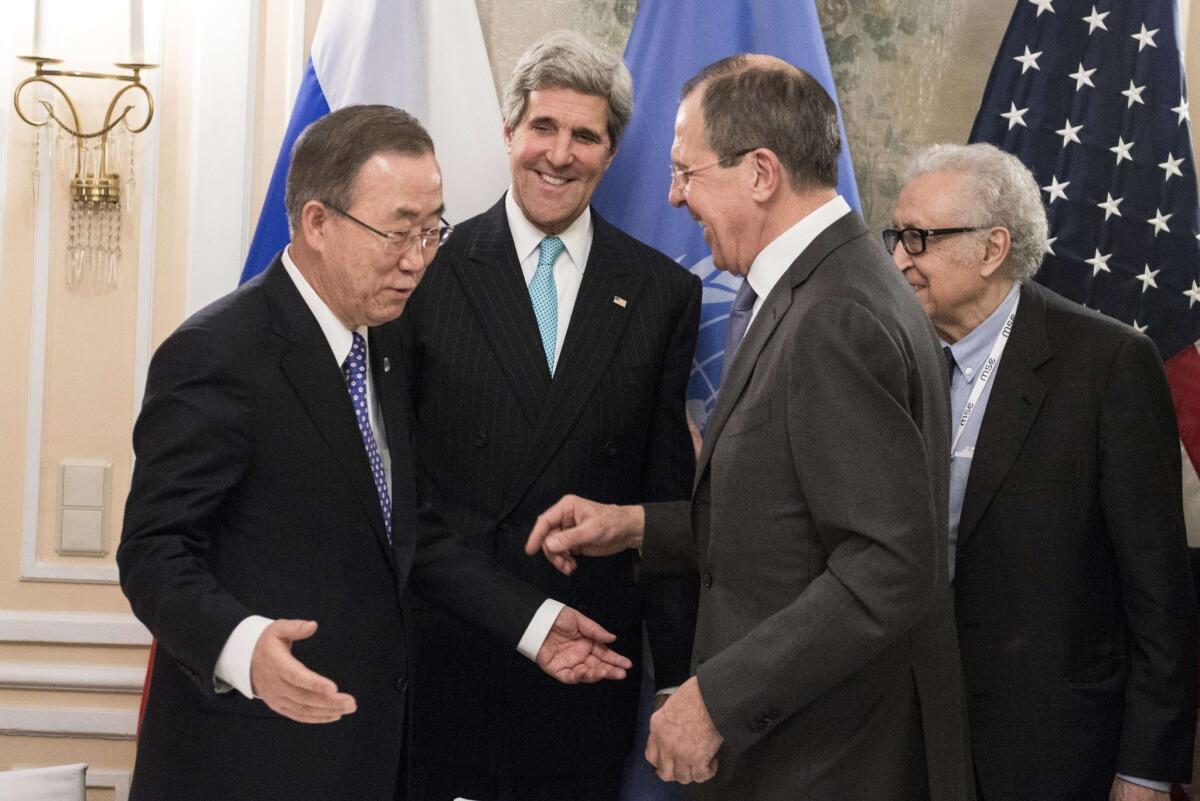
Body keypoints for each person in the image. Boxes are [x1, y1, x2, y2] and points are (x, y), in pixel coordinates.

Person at [117, 104, 630, 801]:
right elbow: (153, 552)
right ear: (318, 223)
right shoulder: (218, 353)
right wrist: (242, 646)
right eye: (398, 232)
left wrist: (534, 624)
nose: (418, 259)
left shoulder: (382, 341)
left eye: (431, 230)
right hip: (251, 757)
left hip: (370, 756)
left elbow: (406, 531)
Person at [526, 55, 974, 800]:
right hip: (805, 746)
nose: (673, 197)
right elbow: (786, 522)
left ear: (761, 172)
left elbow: (887, 564)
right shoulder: (819, 284)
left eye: (686, 172)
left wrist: (716, 697)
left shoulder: (835, 314)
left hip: (827, 758)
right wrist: (636, 524)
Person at [400, 30, 701, 801]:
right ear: (509, 134)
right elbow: (399, 499)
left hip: (584, 678)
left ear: (612, 150)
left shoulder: (663, 292)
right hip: (446, 666)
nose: (559, 154)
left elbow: (666, 499)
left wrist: (680, 678)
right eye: (543, 127)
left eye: (585, 135)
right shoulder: (426, 274)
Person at [886, 142, 1197, 801]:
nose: (897, 259)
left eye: (918, 238)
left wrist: (1144, 768)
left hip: (1050, 751)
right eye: (895, 235)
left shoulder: (1108, 364)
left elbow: (1159, 594)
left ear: (993, 247)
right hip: (905, 735)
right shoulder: (893, 358)